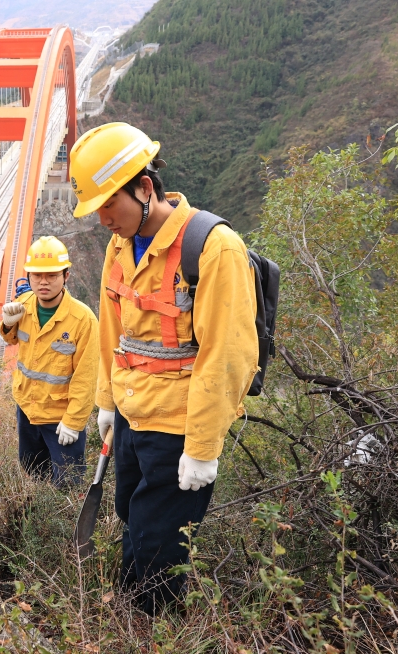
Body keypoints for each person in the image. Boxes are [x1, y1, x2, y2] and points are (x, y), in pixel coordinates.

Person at [68, 122, 259, 612]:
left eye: (110, 204)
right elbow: (115, 331)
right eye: (97, 209)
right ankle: (131, 619)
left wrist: (201, 448)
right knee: (130, 516)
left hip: (178, 428)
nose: (104, 219)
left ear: (145, 187)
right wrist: (106, 404)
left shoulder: (213, 249)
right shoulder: (119, 245)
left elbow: (229, 354)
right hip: (131, 419)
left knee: (160, 543)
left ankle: (155, 639)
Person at [0, 236, 99, 487]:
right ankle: (38, 521)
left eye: (52, 275)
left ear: (66, 276)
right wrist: (7, 325)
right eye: (37, 275)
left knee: (68, 482)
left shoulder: (82, 320)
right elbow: (11, 340)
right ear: (29, 277)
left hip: (60, 418)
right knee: (32, 472)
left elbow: (85, 378)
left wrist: (73, 423)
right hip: (27, 409)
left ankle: (64, 525)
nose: (43, 282)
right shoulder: (23, 306)